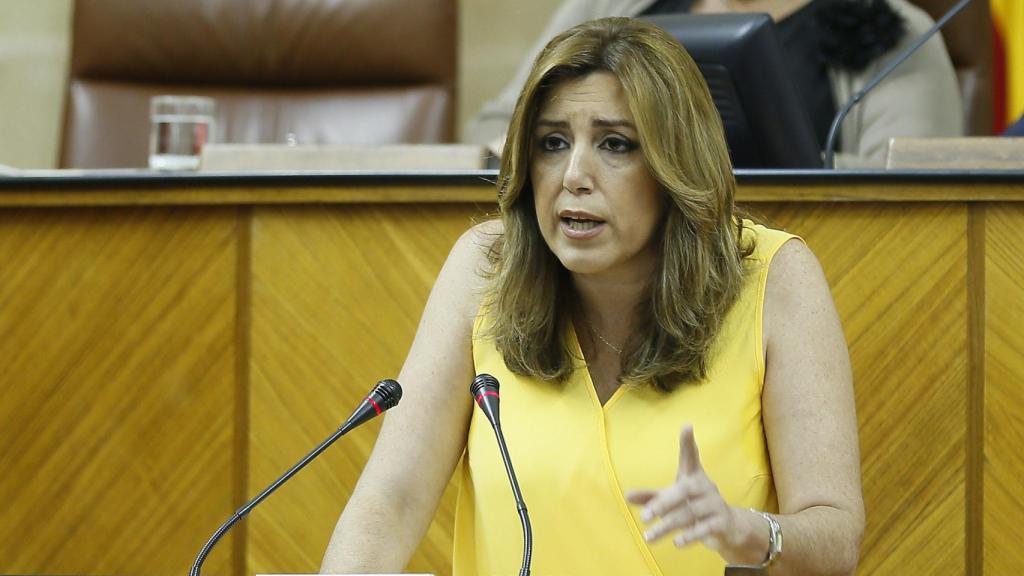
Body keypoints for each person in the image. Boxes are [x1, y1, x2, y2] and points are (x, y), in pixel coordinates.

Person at [321, 16, 863, 575]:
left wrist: (751, 533)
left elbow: (835, 536)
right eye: (553, 143)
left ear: (676, 165)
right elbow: (391, 500)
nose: (574, 175)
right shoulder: (486, 269)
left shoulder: (774, 278)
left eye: (615, 144)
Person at [466, 0, 963, 168]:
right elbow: (492, 129)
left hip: (812, 266)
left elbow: (909, 187)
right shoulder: (612, 5)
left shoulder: (895, 30)